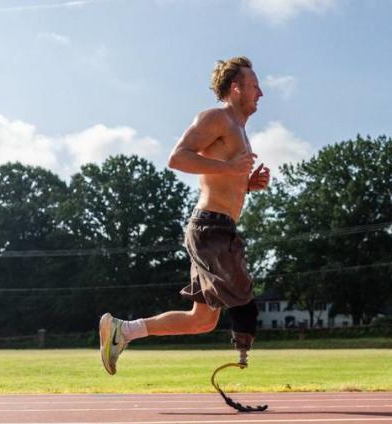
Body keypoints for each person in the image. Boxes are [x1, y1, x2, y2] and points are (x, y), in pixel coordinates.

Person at [99, 56, 270, 375]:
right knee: (243, 293)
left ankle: (124, 330)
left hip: (219, 227)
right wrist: (232, 168)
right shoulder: (216, 118)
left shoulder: (239, 131)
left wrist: (246, 184)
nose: (261, 93)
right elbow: (178, 158)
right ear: (236, 88)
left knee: (202, 320)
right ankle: (244, 353)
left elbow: (219, 177)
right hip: (211, 228)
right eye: (255, 86)